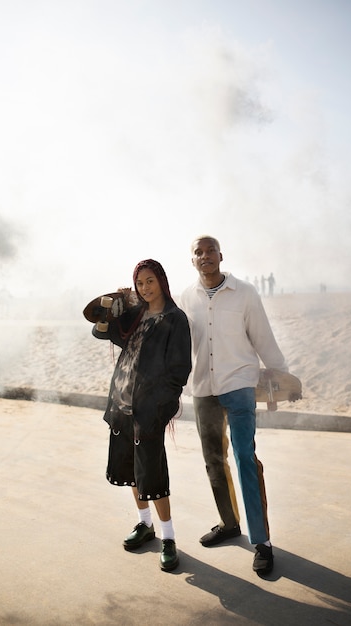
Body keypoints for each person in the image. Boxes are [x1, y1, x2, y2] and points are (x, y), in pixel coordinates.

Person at [180, 236, 288, 576]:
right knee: (213, 460)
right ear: (193, 261)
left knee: (244, 459)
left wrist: (280, 378)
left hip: (240, 384)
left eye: (210, 250)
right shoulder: (186, 297)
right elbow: (181, 343)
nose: (205, 256)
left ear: (221, 256)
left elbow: (263, 336)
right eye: (198, 252)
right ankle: (229, 524)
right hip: (203, 389)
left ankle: (262, 542)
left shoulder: (244, 293)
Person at [91, 259, 191, 572]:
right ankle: (144, 524)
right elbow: (102, 333)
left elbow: (179, 370)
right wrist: (109, 311)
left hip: (149, 409)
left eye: (150, 281)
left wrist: (162, 407)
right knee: (131, 470)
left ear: (161, 280)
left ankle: (169, 538)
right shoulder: (136, 315)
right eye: (140, 283)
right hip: (121, 403)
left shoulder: (175, 318)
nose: (145, 288)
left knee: (153, 473)